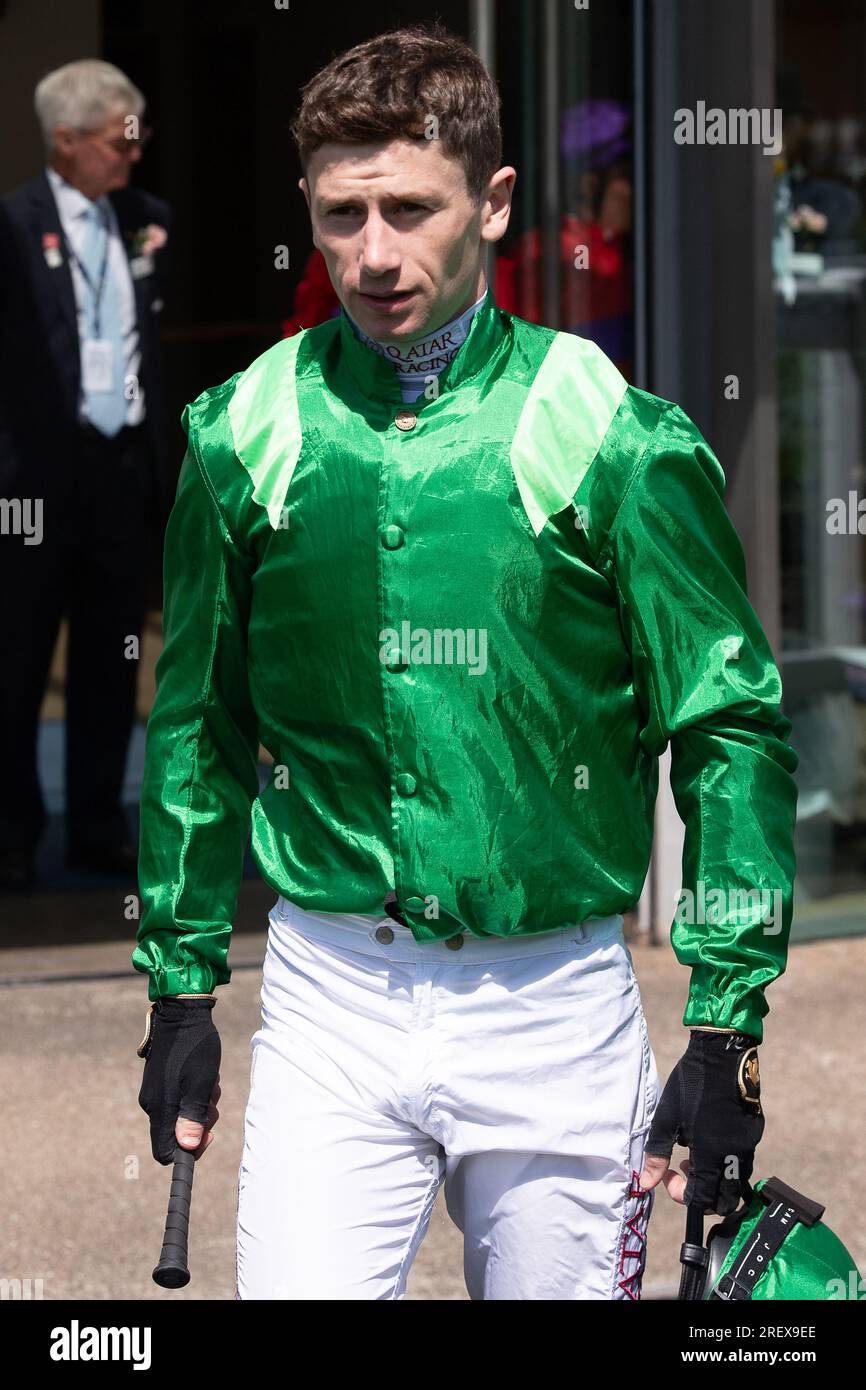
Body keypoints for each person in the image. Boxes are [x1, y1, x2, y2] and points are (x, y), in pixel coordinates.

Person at [134, 24, 798, 1300]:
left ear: (491, 203)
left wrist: (725, 1024)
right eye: (340, 215)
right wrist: (177, 986)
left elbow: (728, 723)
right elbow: (197, 727)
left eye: (408, 209)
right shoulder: (241, 428)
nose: (372, 253)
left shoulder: (604, 425)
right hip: (330, 992)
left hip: (550, 1000)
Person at [0, 59, 172, 889]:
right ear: (66, 142)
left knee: (114, 657)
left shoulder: (146, 220)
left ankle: (102, 826)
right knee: (18, 657)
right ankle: (12, 835)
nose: (133, 155)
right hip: (32, 482)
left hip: (118, 471)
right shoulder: (11, 224)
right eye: (118, 141)